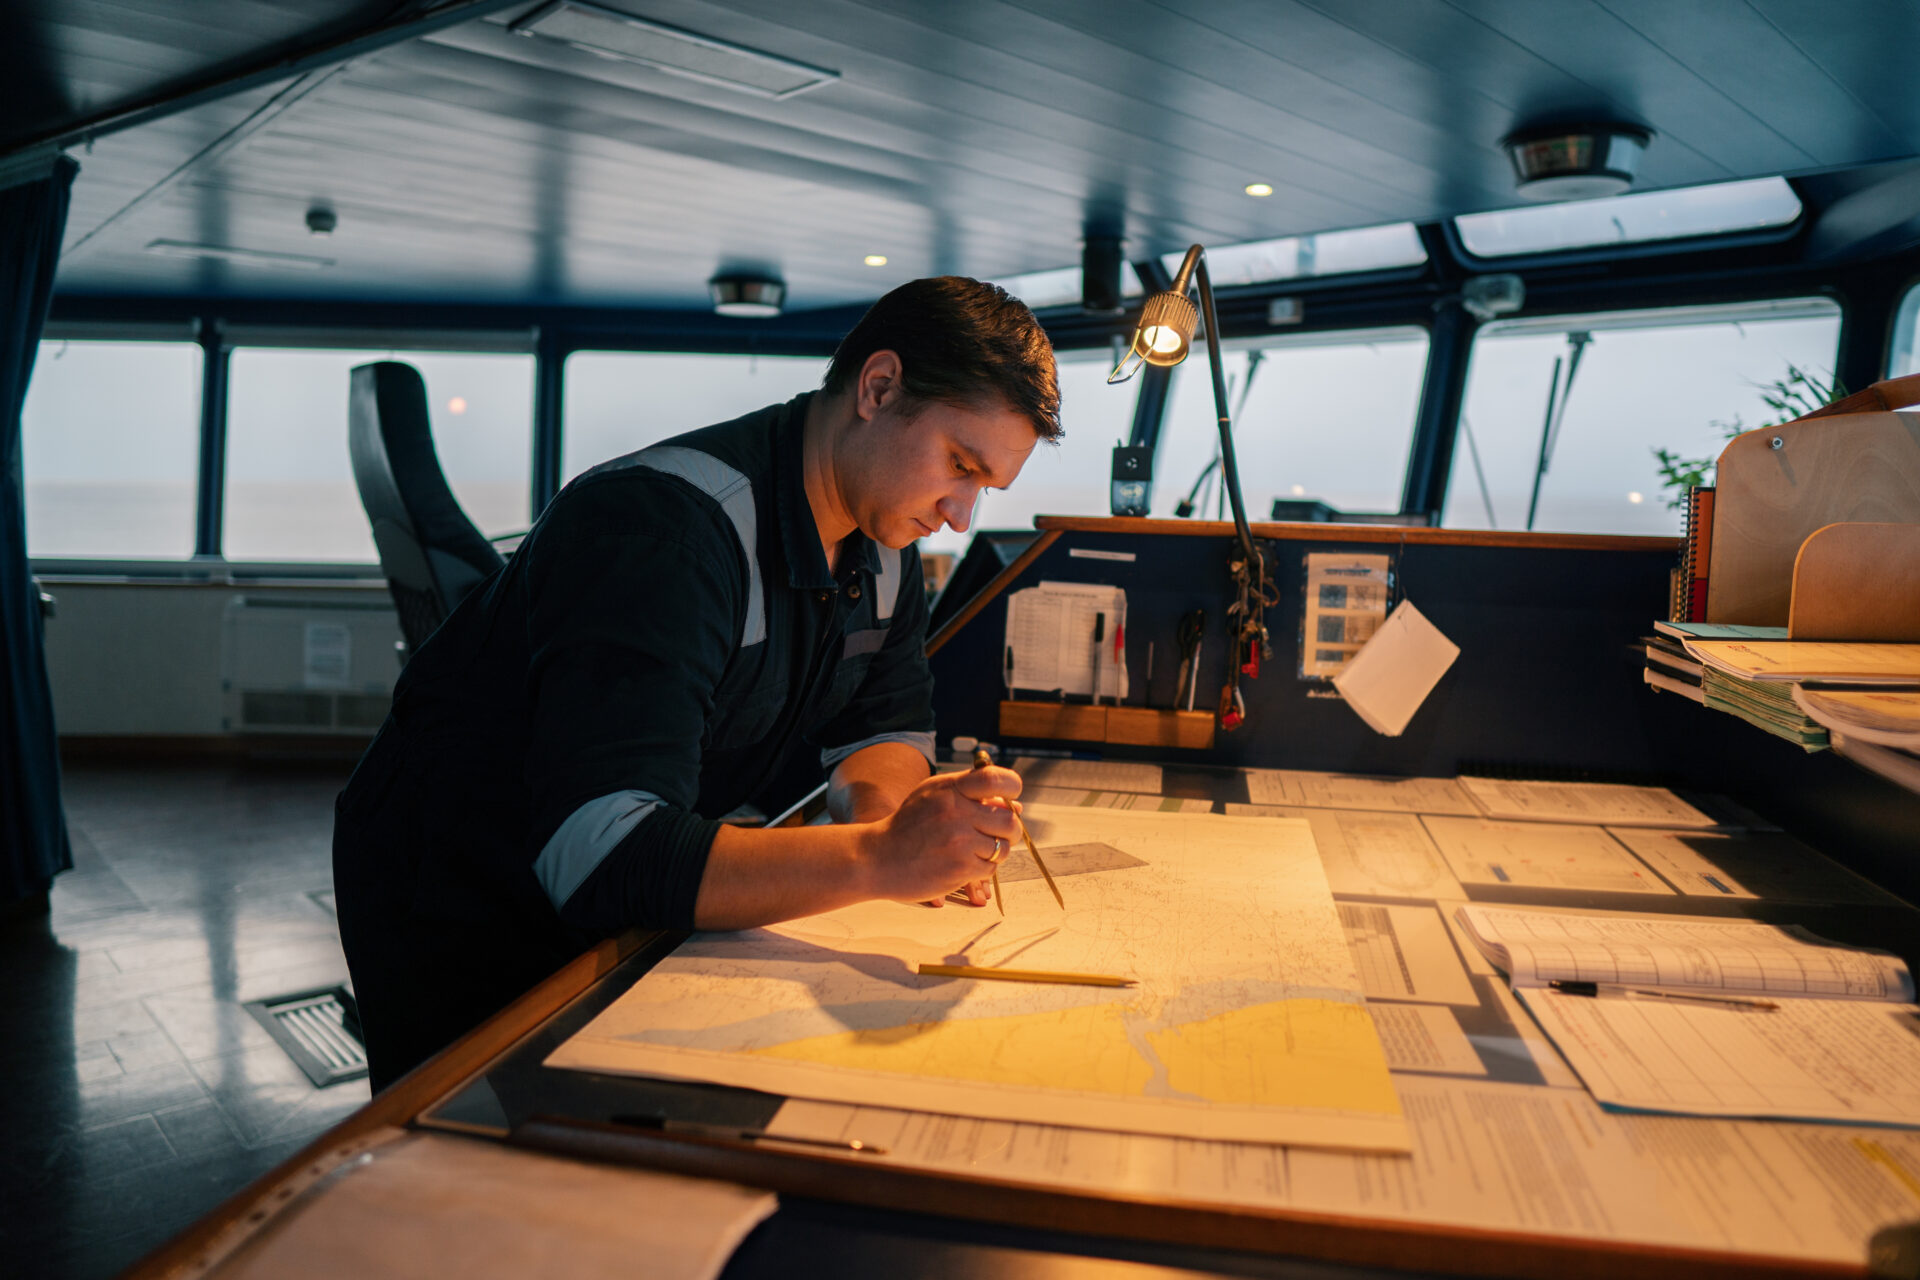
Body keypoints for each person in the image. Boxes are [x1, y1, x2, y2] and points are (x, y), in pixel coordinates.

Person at [332, 277, 1061, 1089]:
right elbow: (600, 855)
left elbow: (880, 727)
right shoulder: (663, 533)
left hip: (609, 889)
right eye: (959, 465)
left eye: (984, 488)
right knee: (468, 1171)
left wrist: (901, 832)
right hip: (459, 887)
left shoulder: (882, 538)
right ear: (878, 388)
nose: (960, 514)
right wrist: (877, 858)